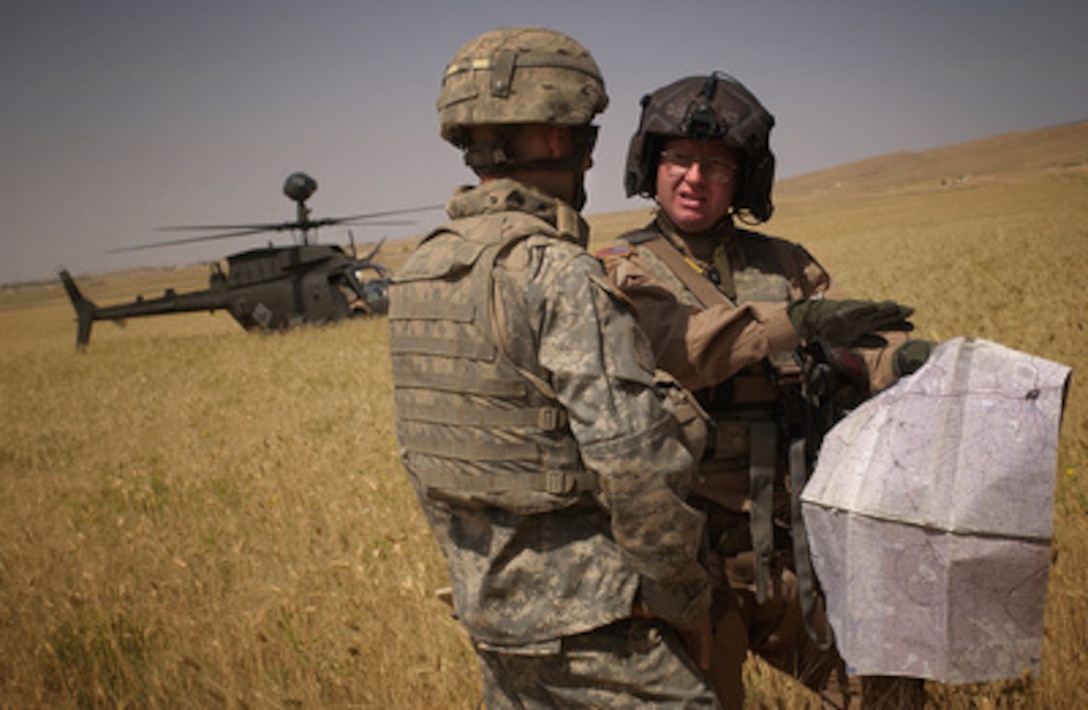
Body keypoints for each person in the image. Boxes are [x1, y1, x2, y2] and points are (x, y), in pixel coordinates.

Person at [388, 28, 723, 708]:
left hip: (493, 619)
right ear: (551, 139)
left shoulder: (418, 270)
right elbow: (634, 464)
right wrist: (686, 599)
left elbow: (425, 457)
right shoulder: (557, 273)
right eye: (583, 135)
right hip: (597, 627)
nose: (591, 158)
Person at [596, 72, 931, 708]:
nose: (695, 178)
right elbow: (687, 348)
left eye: (716, 165)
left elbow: (846, 358)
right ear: (651, 164)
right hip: (695, 569)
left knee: (890, 691)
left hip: (796, 549)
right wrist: (796, 323)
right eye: (679, 160)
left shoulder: (786, 263)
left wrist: (911, 360)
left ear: (744, 179)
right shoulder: (619, 269)